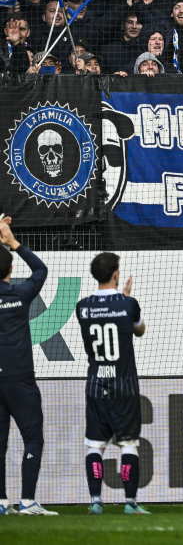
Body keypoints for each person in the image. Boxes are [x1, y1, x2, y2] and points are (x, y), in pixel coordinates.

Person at [78, 252, 147, 514]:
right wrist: (126, 298)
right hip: (124, 386)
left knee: (95, 445)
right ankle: (130, 503)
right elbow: (140, 330)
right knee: (128, 444)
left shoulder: (82, 306)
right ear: (116, 274)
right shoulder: (129, 304)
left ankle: (96, 500)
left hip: (96, 384)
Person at [0, 217, 53, 514]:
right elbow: (41, 270)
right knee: (32, 438)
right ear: (10, 270)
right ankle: (28, 501)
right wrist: (12, 242)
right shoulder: (20, 295)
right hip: (20, 380)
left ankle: (1, 502)